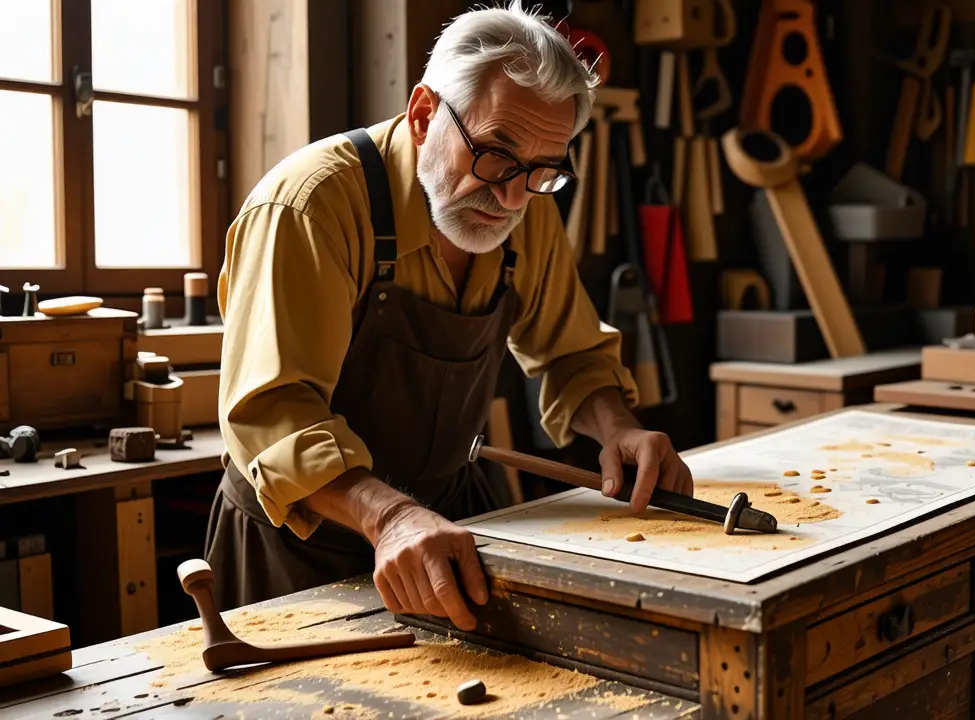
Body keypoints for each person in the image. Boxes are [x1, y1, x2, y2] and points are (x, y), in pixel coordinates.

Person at [204, 1, 694, 631]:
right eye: (496, 155)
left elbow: (570, 352)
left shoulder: (525, 203)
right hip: (298, 548)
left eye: (544, 170)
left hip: (447, 529)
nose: (513, 196)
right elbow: (273, 419)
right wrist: (391, 516)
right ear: (423, 114)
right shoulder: (310, 207)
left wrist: (618, 427)